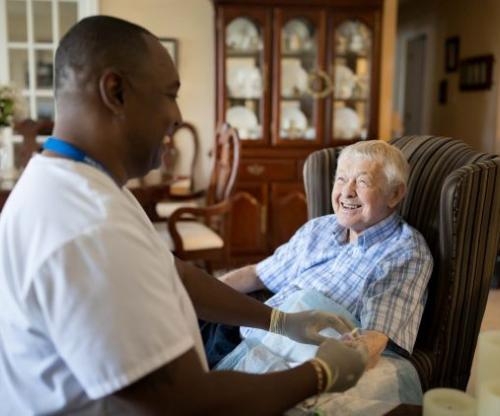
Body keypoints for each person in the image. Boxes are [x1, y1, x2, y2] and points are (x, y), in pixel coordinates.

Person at [0, 16, 367, 415]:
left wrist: (279, 320)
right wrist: (321, 373)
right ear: (116, 91)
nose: (176, 116)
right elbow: (188, 403)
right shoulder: (90, 226)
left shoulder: (78, 182)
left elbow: (176, 274)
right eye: (169, 94)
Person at [217, 140, 433, 369]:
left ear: (395, 194)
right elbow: (257, 275)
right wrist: (200, 295)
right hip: (244, 329)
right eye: (341, 179)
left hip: (280, 359)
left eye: (362, 181)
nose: (347, 192)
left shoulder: (404, 253)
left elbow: (375, 339)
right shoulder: (319, 228)